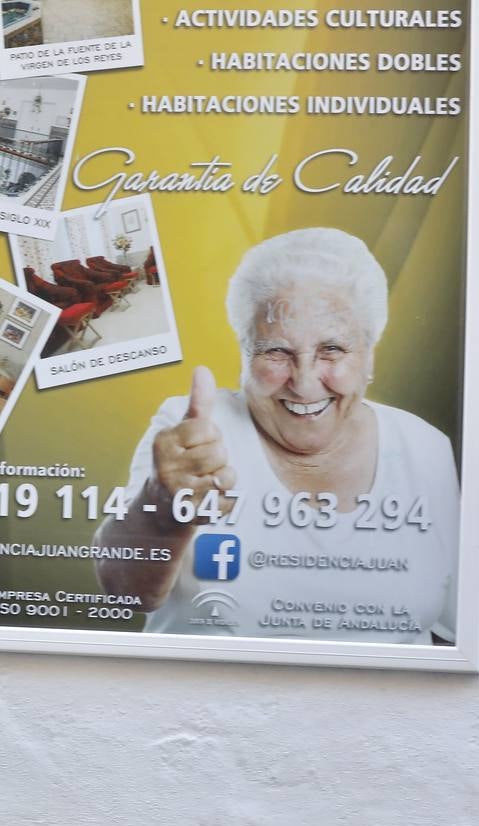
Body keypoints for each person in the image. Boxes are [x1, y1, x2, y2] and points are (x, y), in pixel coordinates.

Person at [95, 227, 458, 643]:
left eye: (333, 350)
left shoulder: (425, 446)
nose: (304, 384)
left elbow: (453, 631)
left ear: (369, 354)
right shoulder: (191, 432)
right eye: (276, 352)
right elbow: (125, 592)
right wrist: (162, 508)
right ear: (243, 353)